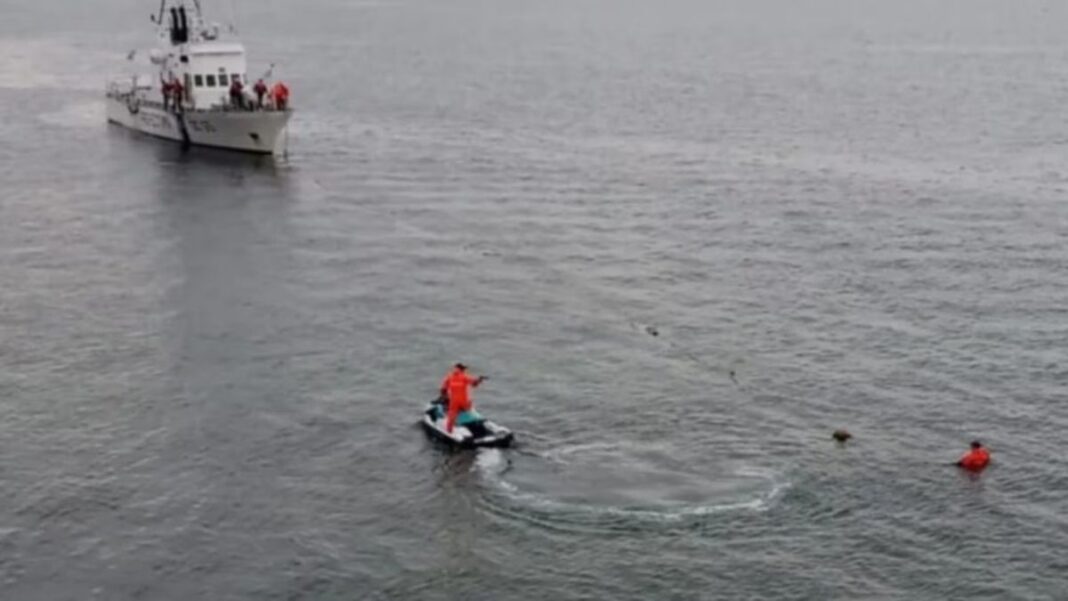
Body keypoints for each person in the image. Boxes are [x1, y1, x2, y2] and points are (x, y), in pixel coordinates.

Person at [439, 363, 486, 433]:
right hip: (463, 401)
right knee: (469, 406)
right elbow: (474, 383)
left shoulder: (450, 377)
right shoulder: (463, 377)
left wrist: (444, 396)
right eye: (464, 369)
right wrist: (479, 380)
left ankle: (449, 431)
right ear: (462, 369)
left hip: (455, 401)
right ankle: (473, 419)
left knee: (452, 416)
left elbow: (443, 389)